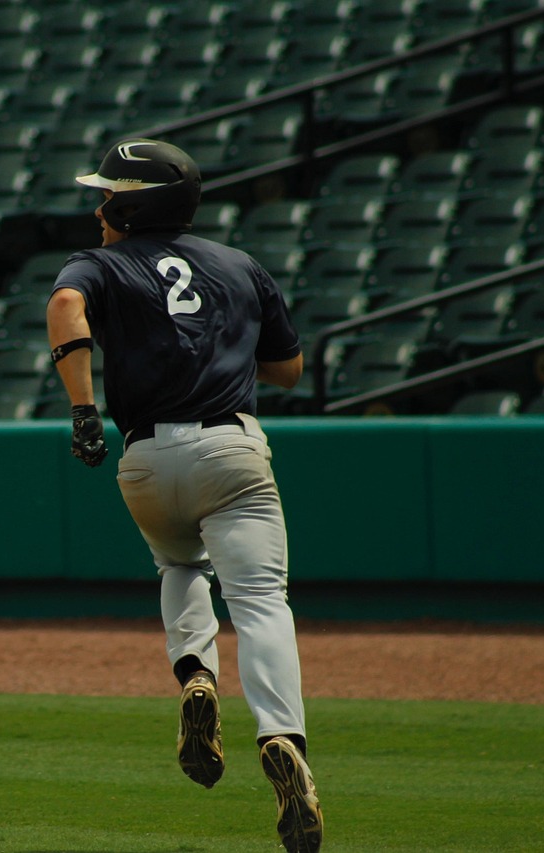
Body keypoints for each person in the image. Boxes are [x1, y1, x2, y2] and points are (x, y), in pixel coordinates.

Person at [45, 138, 323, 853]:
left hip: (146, 455)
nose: (98, 205)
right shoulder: (240, 264)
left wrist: (82, 409)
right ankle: (282, 737)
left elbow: (67, 303)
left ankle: (196, 673)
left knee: (178, 565)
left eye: (108, 192)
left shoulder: (99, 264)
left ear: (135, 204)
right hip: (231, 449)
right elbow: (289, 369)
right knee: (261, 601)